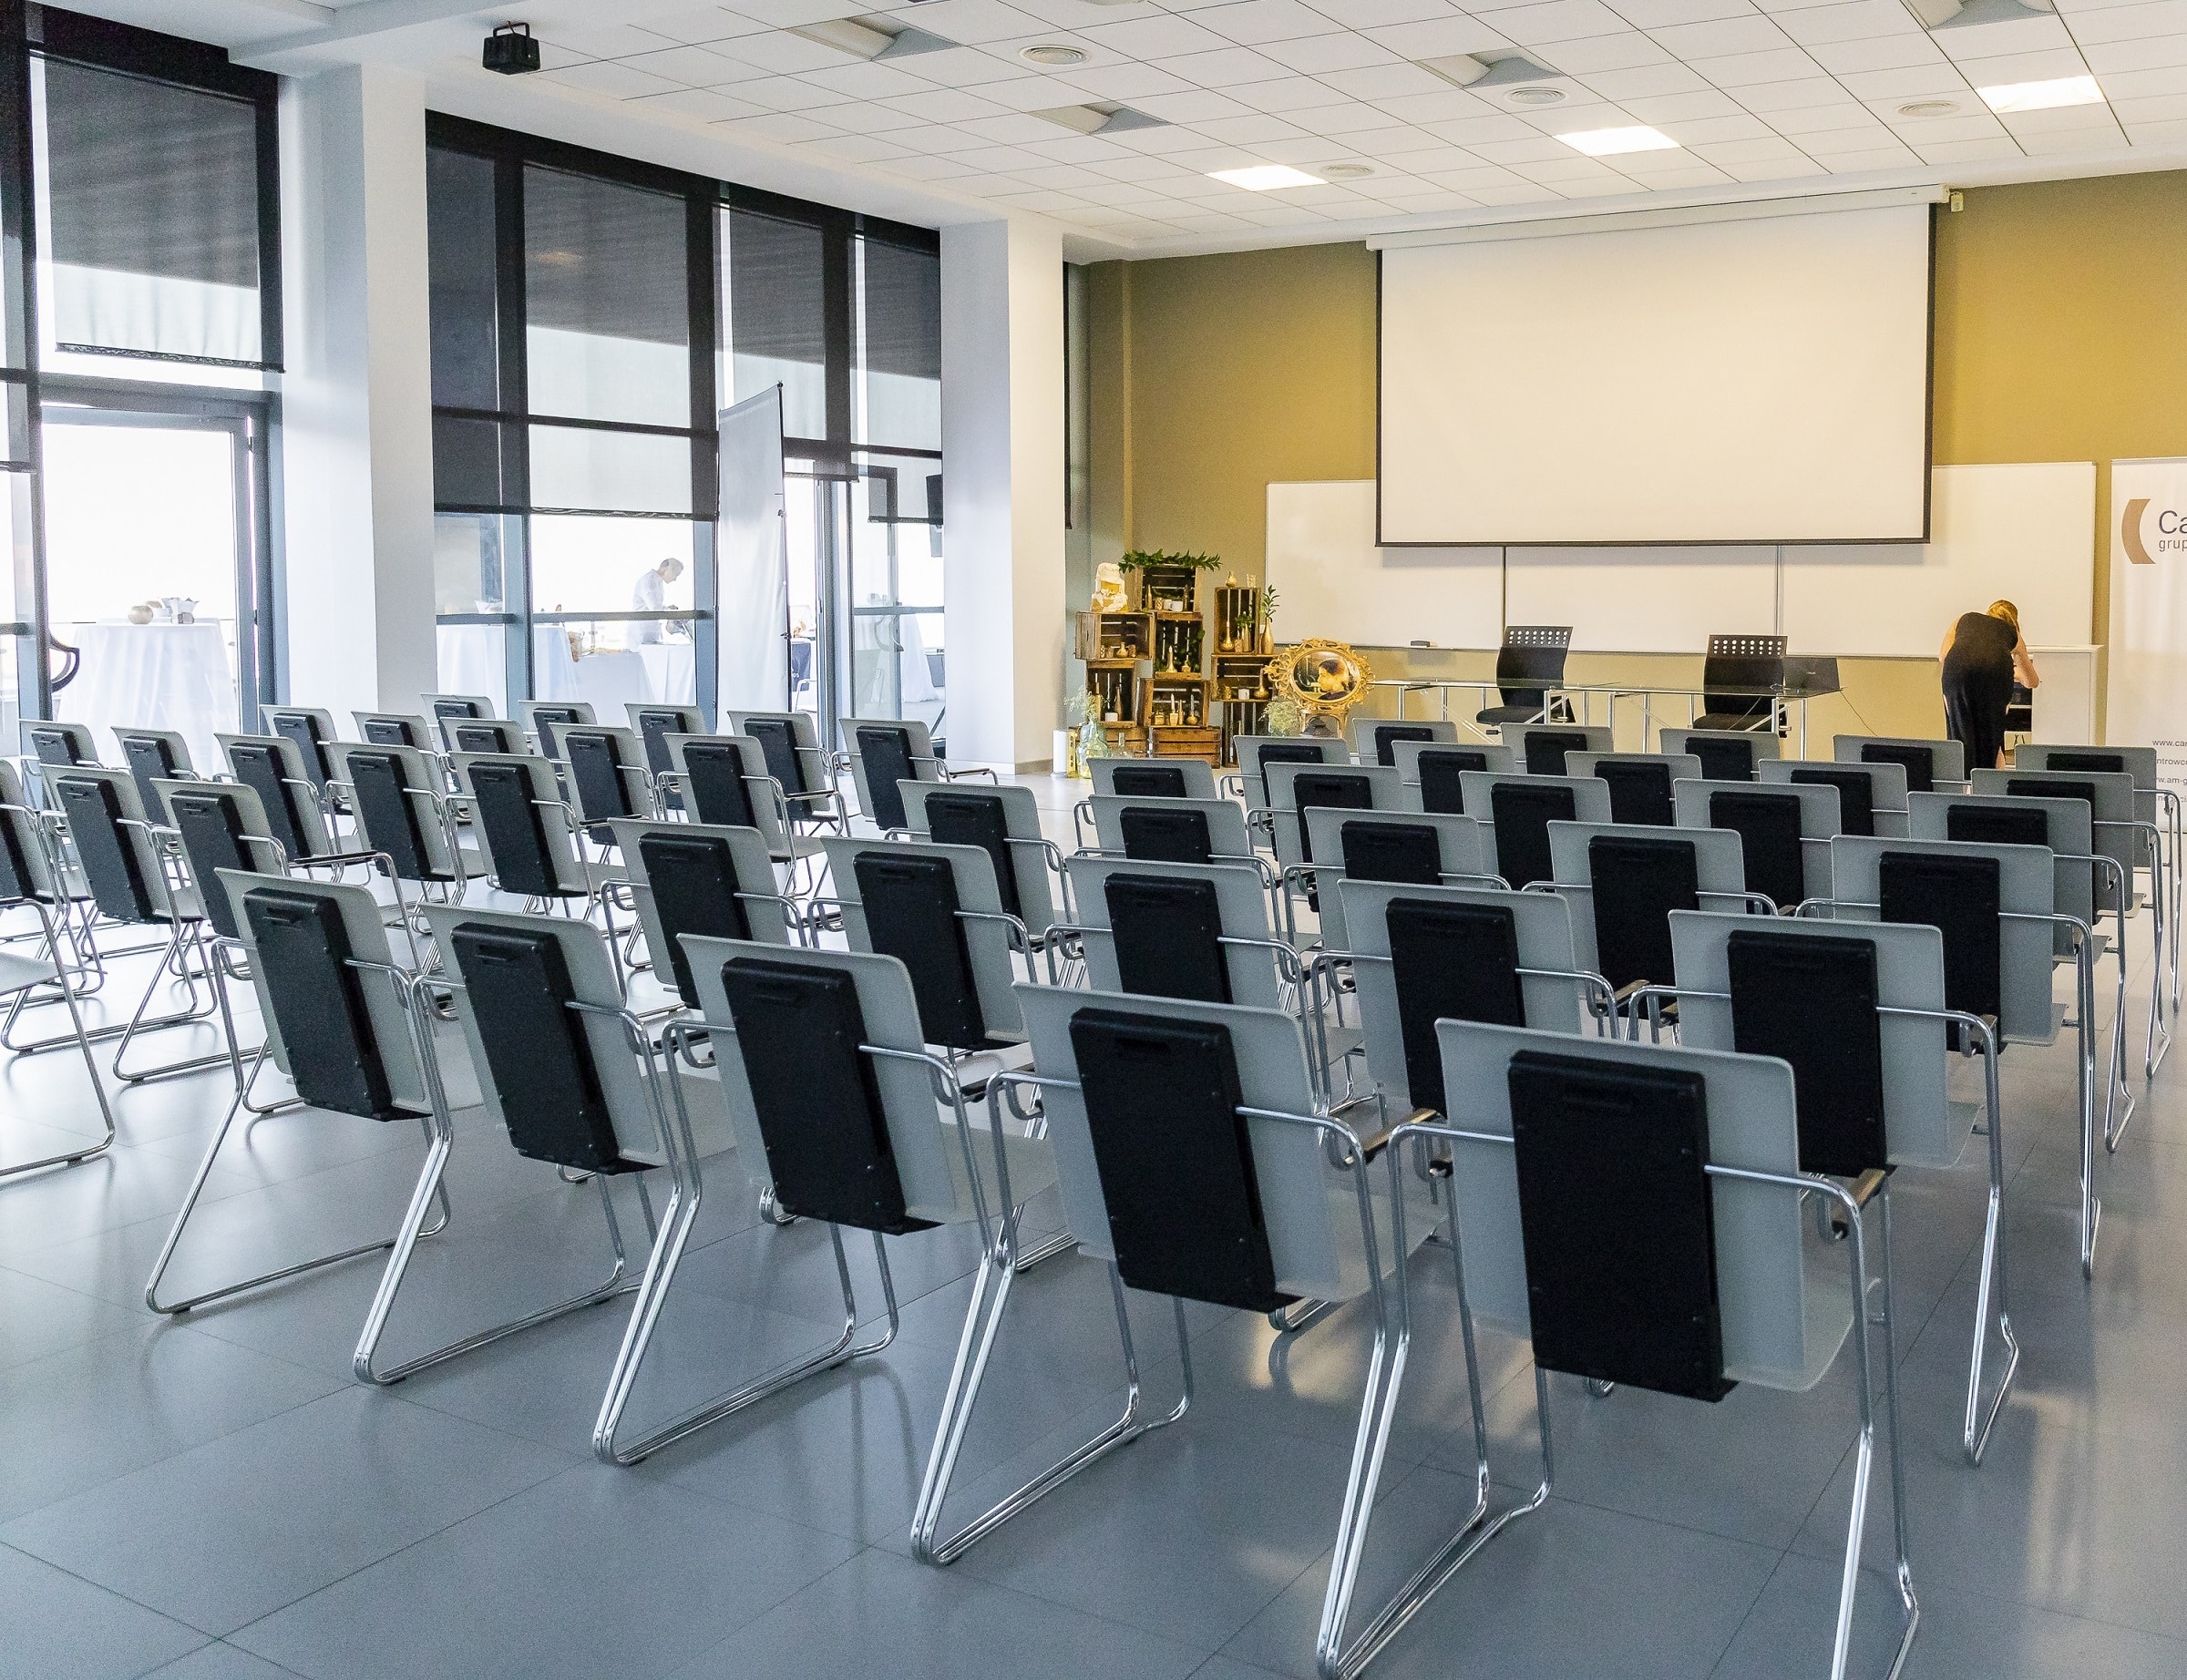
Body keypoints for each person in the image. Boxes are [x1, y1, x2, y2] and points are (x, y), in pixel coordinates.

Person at [1940, 599, 2039, 771]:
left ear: (1988, 612)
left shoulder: (1964, 619)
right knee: (1992, 741)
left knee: (1960, 738)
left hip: (1956, 671)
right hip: (1995, 672)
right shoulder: (2012, 633)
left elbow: (1943, 656)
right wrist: (2010, 672)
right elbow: (2031, 681)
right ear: (2014, 620)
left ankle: (1961, 790)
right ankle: (1991, 788)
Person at [629, 557, 685, 645]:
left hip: (650, 632)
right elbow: (655, 608)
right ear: (666, 569)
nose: (675, 579)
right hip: (641, 632)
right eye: (675, 574)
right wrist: (670, 612)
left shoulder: (657, 582)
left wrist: (668, 609)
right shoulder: (648, 581)